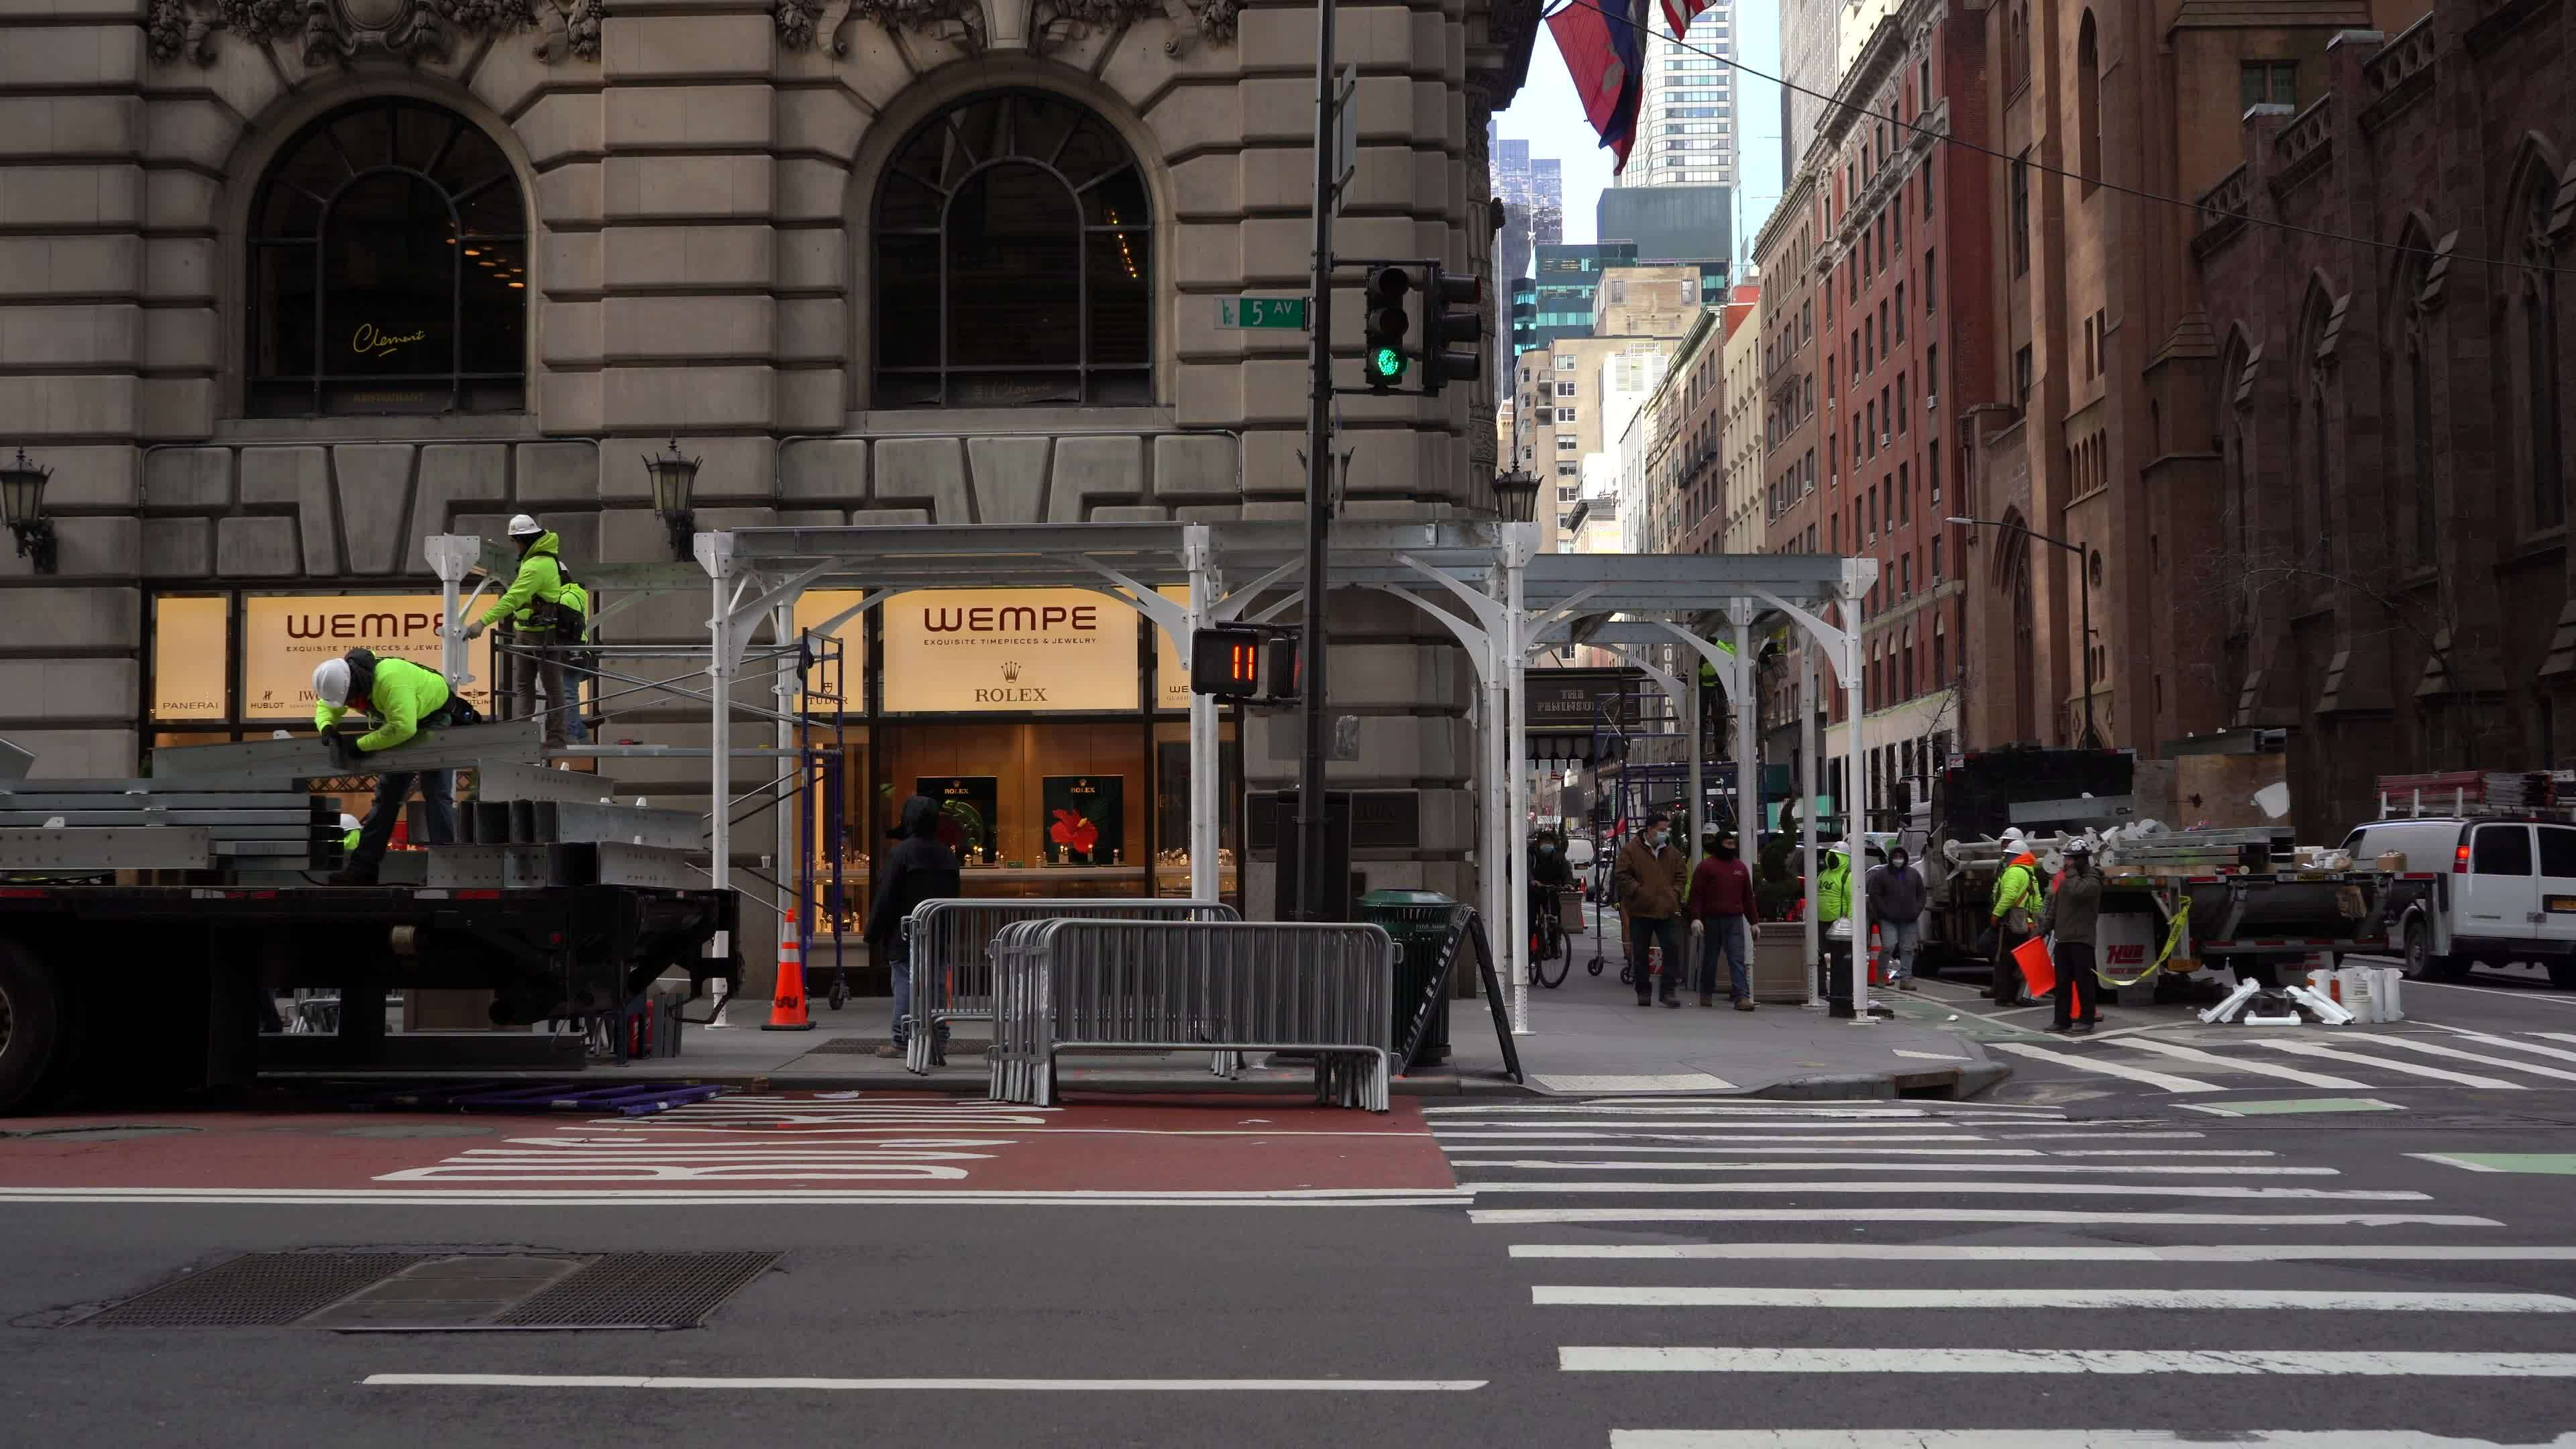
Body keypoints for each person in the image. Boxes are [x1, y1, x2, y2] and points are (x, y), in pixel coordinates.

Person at [313, 650, 460, 885]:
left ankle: (445, 873)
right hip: (401, 719)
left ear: (358, 684)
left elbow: (404, 728)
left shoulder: (391, 681)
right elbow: (327, 706)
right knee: (387, 797)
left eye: (352, 700)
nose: (352, 705)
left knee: (436, 792)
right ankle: (363, 871)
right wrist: (327, 726)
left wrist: (361, 745)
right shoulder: (345, 681)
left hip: (433, 720)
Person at [864, 794, 963, 1059]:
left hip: (904, 933)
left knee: (906, 985)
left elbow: (886, 896)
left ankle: (902, 1039)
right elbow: (953, 896)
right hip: (938, 933)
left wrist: (872, 932)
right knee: (938, 986)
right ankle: (939, 1039)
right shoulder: (946, 855)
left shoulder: (901, 853)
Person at [464, 514, 573, 749]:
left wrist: (483, 621)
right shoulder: (542, 560)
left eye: (515, 540)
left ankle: (543, 738)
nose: (515, 545)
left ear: (523, 540)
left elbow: (513, 598)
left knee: (539, 686)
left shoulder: (535, 565)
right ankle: (545, 737)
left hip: (539, 634)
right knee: (541, 685)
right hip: (532, 630)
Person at [1613, 810, 1688, 1008]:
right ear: (1650, 829)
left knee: (1672, 949)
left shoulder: (1672, 852)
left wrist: (1675, 894)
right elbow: (1622, 875)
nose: (1665, 833)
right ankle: (1643, 991)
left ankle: (1668, 992)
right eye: (1661, 829)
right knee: (1640, 953)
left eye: (1667, 829)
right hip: (1641, 910)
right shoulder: (1631, 850)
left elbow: (1682, 875)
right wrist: (1637, 891)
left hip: (1666, 910)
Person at [1688, 826, 1757, 1010]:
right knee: (1710, 958)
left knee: (1736, 958)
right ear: (1719, 844)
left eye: (1733, 844)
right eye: (1728, 844)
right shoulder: (1706, 867)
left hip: (1734, 919)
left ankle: (1741, 997)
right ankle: (1706, 993)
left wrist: (1754, 922)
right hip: (1711, 919)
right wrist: (1696, 918)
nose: (1731, 847)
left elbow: (1748, 897)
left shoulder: (1740, 868)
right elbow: (1696, 895)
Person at [2040, 839, 2104, 1033]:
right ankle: (2062, 1020)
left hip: (2082, 939)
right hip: (2064, 938)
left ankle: (2086, 1019)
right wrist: (2043, 929)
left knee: (2084, 982)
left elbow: (2078, 893)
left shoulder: (2092, 879)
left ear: (2080, 860)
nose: (2065, 862)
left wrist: (2072, 873)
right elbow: (2055, 906)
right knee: (2062, 983)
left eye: (2070, 859)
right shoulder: (2067, 877)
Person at [1990, 841, 2045, 1005]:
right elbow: (2037, 901)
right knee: (2022, 960)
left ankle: (2004, 997)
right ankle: (2018, 995)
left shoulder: (2013, 872)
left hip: (2010, 922)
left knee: (2006, 959)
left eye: (2008, 855)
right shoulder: (2030, 873)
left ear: (2014, 856)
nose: (2005, 857)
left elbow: (2008, 896)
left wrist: (1996, 914)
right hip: (2025, 924)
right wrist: (2033, 921)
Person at [1868, 844, 1928, 991]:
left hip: (1909, 919)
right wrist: (1884, 913)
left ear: (1906, 858)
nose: (1898, 860)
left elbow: (1921, 894)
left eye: (1901, 857)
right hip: (1888, 920)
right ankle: (1881, 975)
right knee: (1888, 946)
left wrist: (1916, 911)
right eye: (1896, 857)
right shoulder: (1881, 875)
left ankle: (1906, 979)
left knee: (1907, 949)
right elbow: (1875, 896)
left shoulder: (1913, 874)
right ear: (1891, 858)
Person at [1528, 828, 1574, 945]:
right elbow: (1527, 869)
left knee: (1555, 913)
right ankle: (1529, 946)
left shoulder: (1558, 856)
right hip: (1535, 890)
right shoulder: (1532, 855)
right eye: (1545, 842)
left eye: (1550, 843)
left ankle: (1555, 943)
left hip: (1552, 888)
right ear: (1539, 844)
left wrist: (1569, 883)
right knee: (1531, 917)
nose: (1547, 845)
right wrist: (1532, 881)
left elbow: (1566, 870)